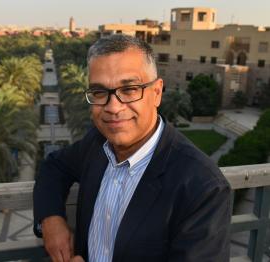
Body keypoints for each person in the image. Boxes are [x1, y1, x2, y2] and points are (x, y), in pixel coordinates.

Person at [33, 34, 231, 262]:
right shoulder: (97, 144)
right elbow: (55, 165)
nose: (113, 107)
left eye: (129, 90)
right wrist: (50, 219)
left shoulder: (202, 188)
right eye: (99, 92)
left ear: (156, 93)